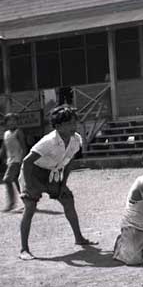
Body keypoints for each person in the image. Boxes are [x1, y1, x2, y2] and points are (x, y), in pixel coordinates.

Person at [19, 105, 98, 260]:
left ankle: (79, 238)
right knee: (30, 207)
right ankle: (24, 249)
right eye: (69, 124)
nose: (73, 126)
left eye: (74, 122)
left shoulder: (76, 140)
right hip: (33, 173)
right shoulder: (49, 141)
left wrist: (63, 185)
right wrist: (28, 187)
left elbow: (68, 163)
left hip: (53, 173)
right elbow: (27, 162)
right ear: (58, 126)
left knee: (68, 199)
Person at [0, 113, 27, 211]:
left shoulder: (18, 132)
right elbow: (3, 147)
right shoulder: (6, 133)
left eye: (14, 121)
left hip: (17, 160)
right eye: (9, 121)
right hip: (10, 161)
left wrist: (23, 160)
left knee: (7, 179)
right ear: (6, 123)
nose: (12, 123)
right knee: (18, 182)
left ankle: (11, 204)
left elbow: (24, 147)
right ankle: (28, 203)